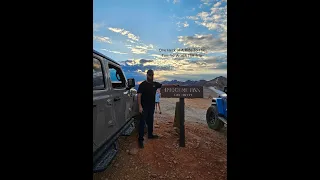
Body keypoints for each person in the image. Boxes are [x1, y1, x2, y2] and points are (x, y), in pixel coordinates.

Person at [137, 69, 162, 148]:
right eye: (150, 75)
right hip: (144, 107)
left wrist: (174, 85)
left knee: (150, 121)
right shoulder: (142, 84)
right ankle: (140, 139)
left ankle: (150, 135)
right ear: (147, 75)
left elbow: (163, 86)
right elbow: (139, 95)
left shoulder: (155, 84)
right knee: (142, 122)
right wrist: (140, 106)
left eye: (152, 75)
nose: (151, 76)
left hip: (151, 107)